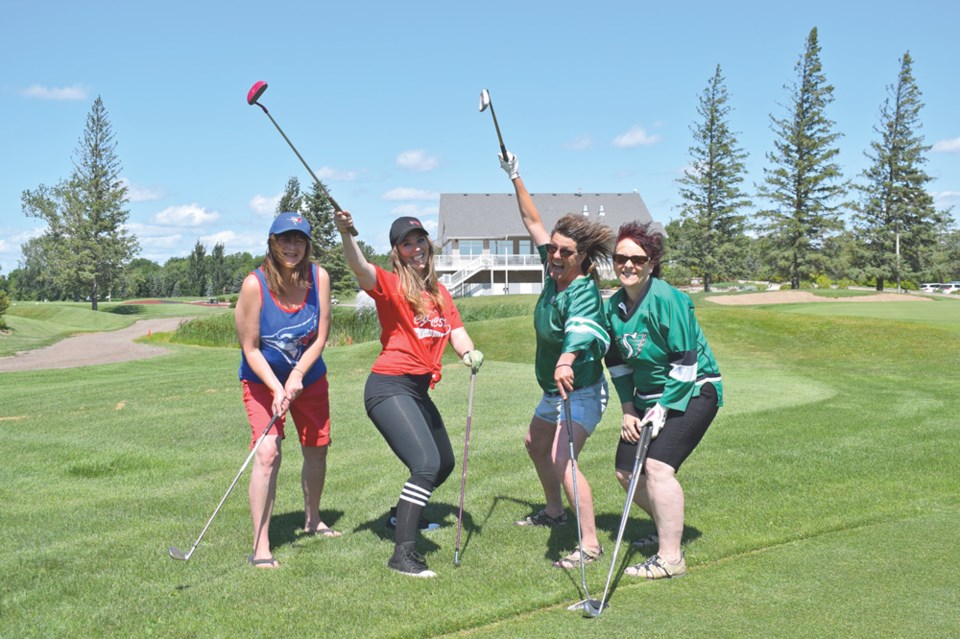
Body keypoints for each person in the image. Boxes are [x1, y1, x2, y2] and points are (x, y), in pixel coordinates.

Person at [333, 211, 484, 578]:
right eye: (407, 243)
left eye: (420, 240)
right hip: (388, 386)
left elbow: (456, 330)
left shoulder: (439, 291)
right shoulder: (390, 284)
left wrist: (467, 352)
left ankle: (400, 516)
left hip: (417, 390)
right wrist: (345, 233)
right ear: (397, 252)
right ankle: (403, 554)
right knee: (426, 465)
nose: (416, 248)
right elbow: (359, 266)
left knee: (443, 463)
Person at [499, 151, 613, 569]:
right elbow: (532, 221)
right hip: (554, 389)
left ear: (583, 257)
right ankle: (554, 512)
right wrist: (515, 176)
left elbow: (581, 331)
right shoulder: (552, 271)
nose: (556, 256)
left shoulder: (581, 290)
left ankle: (590, 544)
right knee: (535, 443)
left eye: (565, 252)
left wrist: (565, 360)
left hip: (580, 389)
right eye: (554, 250)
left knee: (563, 459)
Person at [603, 221, 723, 579]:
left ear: (652, 262)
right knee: (626, 472)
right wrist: (628, 411)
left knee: (657, 468)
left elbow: (686, 363)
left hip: (694, 389)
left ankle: (671, 558)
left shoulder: (669, 299)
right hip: (646, 397)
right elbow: (618, 365)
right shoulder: (612, 308)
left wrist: (663, 408)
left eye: (637, 259)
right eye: (621, 257)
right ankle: (666, 526)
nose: (628, 265)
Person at [236, 213, 340, 569]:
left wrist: (296, 376)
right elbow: (249, 347)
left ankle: (312, 520)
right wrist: (278, 386)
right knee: (267, 453)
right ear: (272, 242)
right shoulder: (255, 284)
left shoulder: (319, 277)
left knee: (316, 450)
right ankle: (260, 546)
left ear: (307, 244)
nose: (292, 247)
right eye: (285, 239)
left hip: (308, 378)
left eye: (299, 240)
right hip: (262, 380)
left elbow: (321, 337)